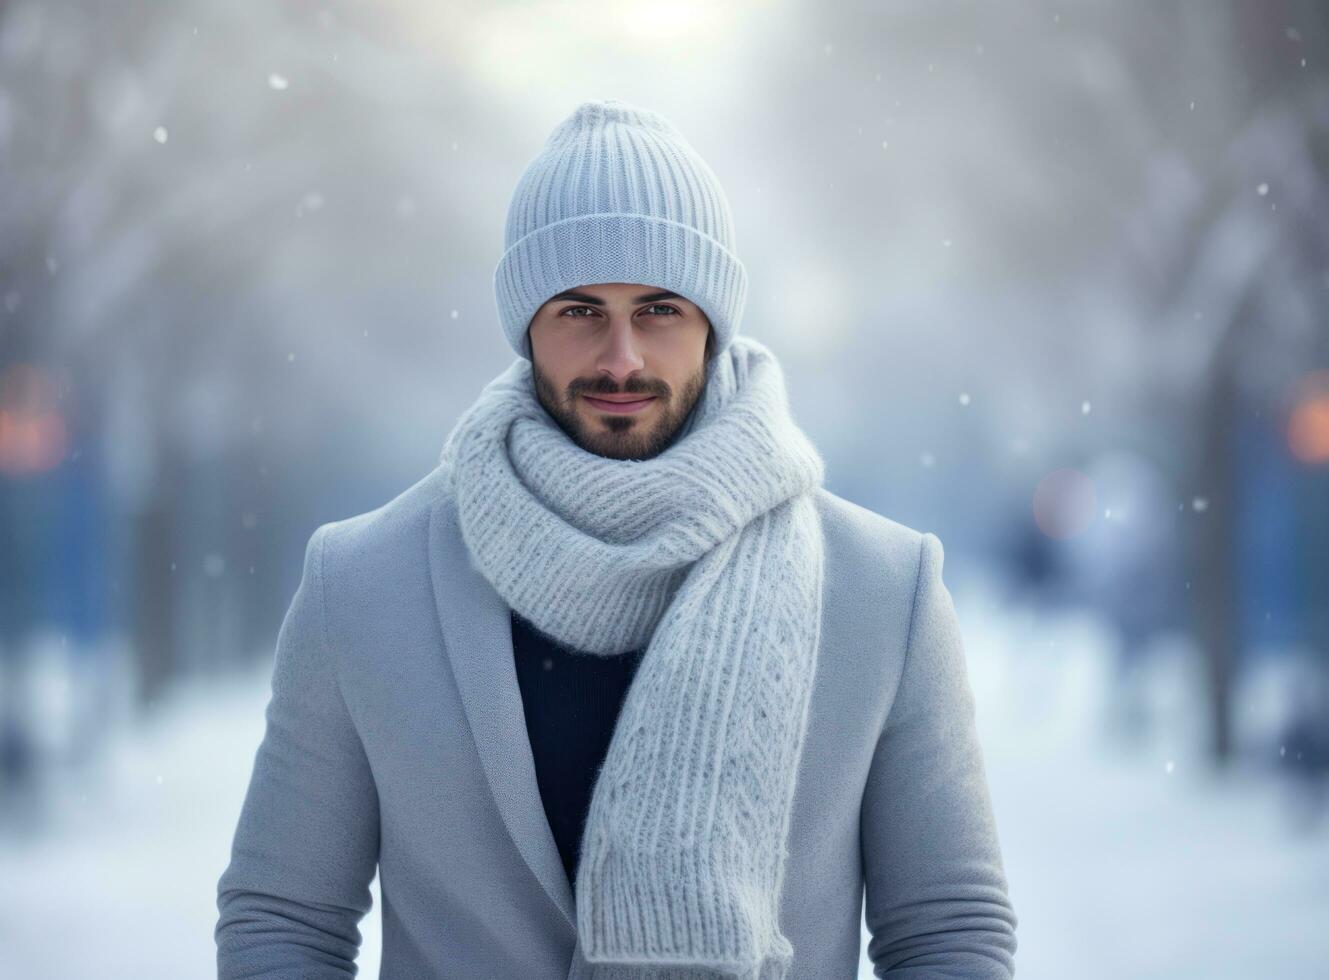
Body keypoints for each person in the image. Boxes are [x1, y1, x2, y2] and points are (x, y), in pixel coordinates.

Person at [215, 98, 1018, 980]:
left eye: (660, 309)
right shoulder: (364, 583)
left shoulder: (883, 590)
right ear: (527, 325)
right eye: (579, 310)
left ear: (713, 323)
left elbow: (947, 933)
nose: (623, 358)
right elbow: (284, 920)